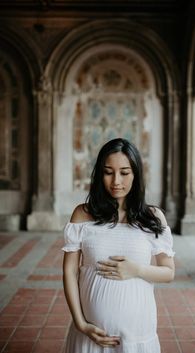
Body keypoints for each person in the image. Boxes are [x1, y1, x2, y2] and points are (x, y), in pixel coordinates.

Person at [62, 138, 175, 353]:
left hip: (137, 334)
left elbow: (169, 272)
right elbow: (69, 271)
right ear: (99, 174)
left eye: (124, 172)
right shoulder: (82, 214)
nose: (116, 181)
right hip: (91, 335)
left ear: (136, 174)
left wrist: (137, 270)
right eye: (108, 172)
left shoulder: (153, 217)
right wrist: (80, 323)